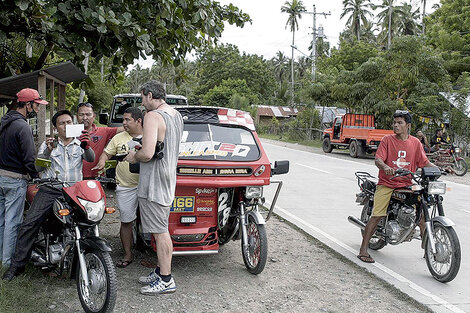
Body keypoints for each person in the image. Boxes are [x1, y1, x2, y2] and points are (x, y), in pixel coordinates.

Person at [2, 110, 94, 281]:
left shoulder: (79, 143)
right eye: (61, 123)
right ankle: (16, 267)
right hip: (50, 189)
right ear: (55, 127)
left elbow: (90, 158)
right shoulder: (49, 145)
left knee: (89, 220)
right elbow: (38, 168)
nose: (66, 126)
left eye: (68, 122)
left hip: (74, 190)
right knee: (29, 224)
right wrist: (48, 152)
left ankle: (89, 261)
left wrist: (87, 145)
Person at [125, 80, 183, 295]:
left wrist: (134, 156)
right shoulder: (175, 115)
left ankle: (166, 279)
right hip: (168, 177)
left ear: (149, 95)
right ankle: (160, 271)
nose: (142, 102)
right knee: (161, 228)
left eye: (142, 98)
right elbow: (163, 144)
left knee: (160, 231)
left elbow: (148, 153)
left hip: (155, 181)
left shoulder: (152, 116)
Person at [357, 110, 435, 264]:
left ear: (408, 125)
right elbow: (378, 160)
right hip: (387, 184)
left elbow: (424, 162)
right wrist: (385, 167)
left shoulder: (415, 143)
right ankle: (363, 249)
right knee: (377, 214)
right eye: (395, 123)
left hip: (407, 183)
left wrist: (437, 169)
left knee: (423, 211)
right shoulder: (387, 140)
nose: (396, 125)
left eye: (400, 123)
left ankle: (427, 247)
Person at [0, 88, 46, 268]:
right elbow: (29, 158)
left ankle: (1, 259)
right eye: (36, 105)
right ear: (27, 105)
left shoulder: (4, 122)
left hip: (1, 177)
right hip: (15, 180)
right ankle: (7, 262)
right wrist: (36, 176)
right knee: (13, 222)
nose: (37, 109)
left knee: (2, 220)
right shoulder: (23, 126)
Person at [92, 107, 143, 268]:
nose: (124, 123)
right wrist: (101, 162)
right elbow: (107, 153)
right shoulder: (118, 138)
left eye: (128, 120)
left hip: (147, 186)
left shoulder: (150, 136)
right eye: (124, 120)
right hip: (125, 187)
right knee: (126, 220)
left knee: (151, 221)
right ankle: (128, 254)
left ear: (139, 121)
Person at [76, 102, 124, 179]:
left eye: (88, 114)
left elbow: (126, 128)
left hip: (96, 177)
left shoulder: (103, 131)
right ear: (76, 116)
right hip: (74, 178)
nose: (85, 118)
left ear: (94, 116)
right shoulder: (69, 133)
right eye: (81, 115)